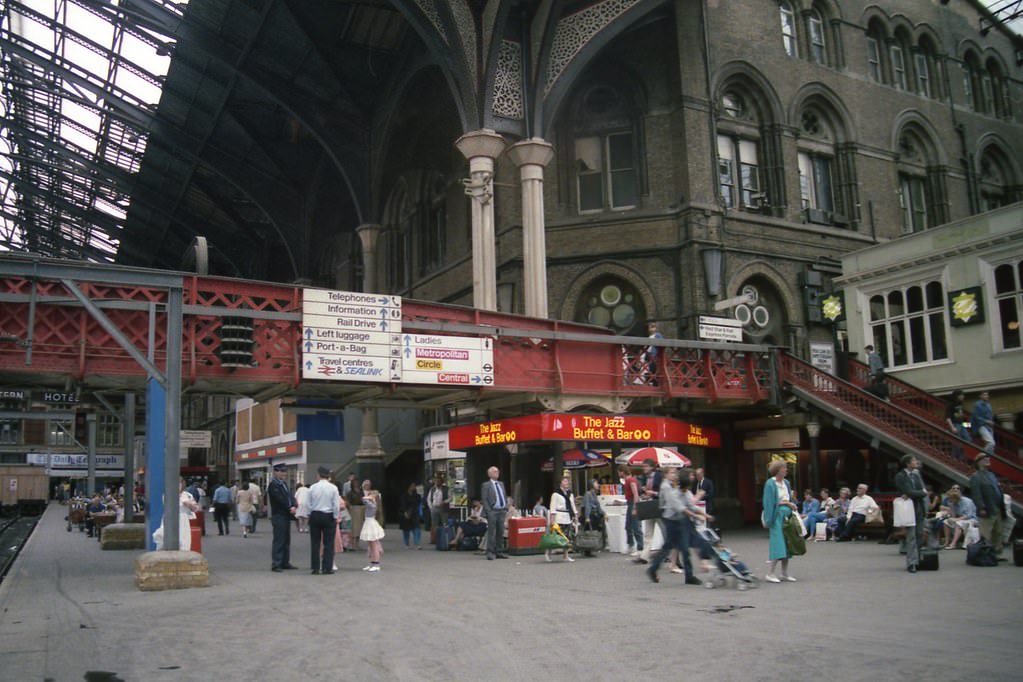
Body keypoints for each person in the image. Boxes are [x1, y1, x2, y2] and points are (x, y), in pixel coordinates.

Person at [762, 460, 798, 583]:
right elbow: (769, 502)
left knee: (787, 543)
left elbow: (789, 497)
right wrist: (769, 520)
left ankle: (784, 573)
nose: (786, 470)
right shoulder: (770, 484)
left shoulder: (786, 482)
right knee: (778, 544)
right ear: (778, 470)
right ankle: (770, 573)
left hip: (787, 515)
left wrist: (792, 504)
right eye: (784, 468)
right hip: (776, 516)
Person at [894, 455, 927, 573]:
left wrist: (919, 493)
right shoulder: (900, 476)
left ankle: (917, 559)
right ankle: (911, 563)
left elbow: (923, 490)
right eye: (914, 460)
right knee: (911, 536)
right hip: (908, 508)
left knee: (919, 534)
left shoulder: (916, 475)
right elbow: (910, 492)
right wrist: (921, 493)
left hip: (918, 507)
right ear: (908, 463)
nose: (916, 462)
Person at [970, 453, 1006, 560]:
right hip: (987, 508)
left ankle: (997, 554)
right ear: (978, 462)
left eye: (988, 458)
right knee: (986, 533)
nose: (987, 460)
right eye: (984, 459)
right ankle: (985, 554)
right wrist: (981, 507)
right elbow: (976, 494)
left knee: (998, 532)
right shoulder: (975, 476)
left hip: (998, 507)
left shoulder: (991, 474)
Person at [306, 466, 341, 575]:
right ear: (328, 476)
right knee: (328, 543)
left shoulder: (312, 487)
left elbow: (308, 504)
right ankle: (327, 568)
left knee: (315, 543)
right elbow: (336, 505)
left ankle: (315, 568)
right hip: (329, 515)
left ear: (319, 475)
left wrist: (309, 515)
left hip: (315, 515)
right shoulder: (333, 488)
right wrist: (335, 517)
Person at [267, 464, 297, 572]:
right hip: (279, 515)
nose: (284, 474)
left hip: (286, 515)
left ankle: (285, 562)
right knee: (279, 540)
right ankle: (276, 563)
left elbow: (289, 496)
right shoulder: (273, 485)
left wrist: (294, 504)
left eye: (285, 472)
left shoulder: (283, 484)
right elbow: (279, 500)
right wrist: (290, 507)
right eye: (282, 471)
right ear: (276, 472)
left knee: (286, 540)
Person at [634, 459, 663, 565]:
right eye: (643, 466)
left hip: (659, 506)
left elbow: (663, 492)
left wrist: (653, 493)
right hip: (649, 506)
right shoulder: (644, 478)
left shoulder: (659, 476)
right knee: (648, 532)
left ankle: (670, 554)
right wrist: (645, 495)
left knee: (665, 531)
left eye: (646, 466)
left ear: (652, 467)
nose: (644, 468)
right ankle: (644, 556)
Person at [481, 466, 509, 560]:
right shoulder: (486, 485)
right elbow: (484, 499)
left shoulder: (501, 484)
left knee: (500, 531)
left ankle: (499, 551)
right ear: (489, 474)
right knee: (492, 532)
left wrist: (505, 507)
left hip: (501, 510)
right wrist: (489, 511)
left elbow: (504, 495)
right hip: (493, 511)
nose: (497, 473)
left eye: (497, 471)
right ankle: (490, 551)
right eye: (494, 471)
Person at [547, 477, 578, 562]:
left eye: (568, 481)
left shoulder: (570, 494)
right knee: (555, 537)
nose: (567, 483)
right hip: (559, 516)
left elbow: (572, 505)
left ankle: (566, 555)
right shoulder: (556, 494)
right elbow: (552, 507)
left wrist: (575, 515)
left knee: (567, 537)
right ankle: (548, 553)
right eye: (565, 481)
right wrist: (552, 520)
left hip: (567, 516)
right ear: (560, 483)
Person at [359, 480, 385, 572]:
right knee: (370, 545)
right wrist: (371, 496)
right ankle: (372, 563)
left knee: (374, 545)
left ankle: (376, 564)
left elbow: (363, 498)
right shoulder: (372, 504)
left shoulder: (372, 505)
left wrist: (370, 497)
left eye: (371, 494)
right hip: (368, 522)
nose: (369, 495)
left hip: (371, 523)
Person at [941, 485, 977, 549]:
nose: (949, 501)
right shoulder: (953, 503)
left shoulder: (967, 502)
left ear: (955, 498)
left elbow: (968, 515)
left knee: (958, 523)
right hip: (960, 519)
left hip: (971, 519)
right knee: (946, 522)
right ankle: (947, 542)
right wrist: (951, 514)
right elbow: (954, 515)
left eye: (950, 499)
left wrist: (956, 519)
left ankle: (953, 544)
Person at [620, 465, 643, 558]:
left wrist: (634, 507)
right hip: (630, 503)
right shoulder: (629, 481)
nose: (618, 474)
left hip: (632, 503)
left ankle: (639, 547)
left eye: (619, 472)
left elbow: (635, 494)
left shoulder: (630, 481)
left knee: (635, 526)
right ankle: (631, 545)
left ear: (622, 472)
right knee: (629, 526)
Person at [582, 478, 606, 555]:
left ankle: (590, 548)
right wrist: (587, 517)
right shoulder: (588, 494)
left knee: (592, 531)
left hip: (594, 515)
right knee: (589, 532)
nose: (598, 485)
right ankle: (587, 548)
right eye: (596, 483)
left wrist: (603, 513)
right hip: (591, 515)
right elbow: (588, 506)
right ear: (591, 485)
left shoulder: (594, 494)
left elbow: (598, 506)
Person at [945, 390, 970, 462]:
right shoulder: (950, 404)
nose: (963, 397)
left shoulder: (960, 404)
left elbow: (961, 417)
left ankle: (962, 459)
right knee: (957, 443)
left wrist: (968, 425)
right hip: (955, 424)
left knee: (968, 440)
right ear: (957, 396)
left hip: (961, 424)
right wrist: (952, 427)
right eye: (961, 395)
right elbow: (948, 417)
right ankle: (955, 460)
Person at [399, 482, 423, 549]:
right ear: (408, 487)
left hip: (415, 513)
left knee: (416, 528)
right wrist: (405, 512)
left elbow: (419, 504)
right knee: (406, 530)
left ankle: (417, 543)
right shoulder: (404, 495)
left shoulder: (417, 496)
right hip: (406, 513)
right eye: (412, 486)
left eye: (414, 486)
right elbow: (403, 505)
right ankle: (406, 543)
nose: (413, 487)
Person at [426, 476, 450, 544]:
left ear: (442, 482)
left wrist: (444, 502)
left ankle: (445, 538)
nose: (437, 482)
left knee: (445, 523)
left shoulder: (446, 489)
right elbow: (429, 499)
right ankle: (434, 539)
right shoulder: (432, 489)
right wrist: (431, 507)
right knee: (434, 525)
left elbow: (450, 497)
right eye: (436, 481)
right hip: (434, 507)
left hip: (443, 508)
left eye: (439, 481)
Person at [972, 391, 996, 455]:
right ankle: (981, 456)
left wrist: (991, 422)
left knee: (992, 445)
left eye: (987, 395)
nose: (987, 396)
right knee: (991, 443)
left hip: (989, 427)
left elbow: (990, 415)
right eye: (985, 395)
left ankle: (987, 459)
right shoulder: (977, 405)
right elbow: (976, 417)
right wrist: (986, 421)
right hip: (981, 426)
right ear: (980, 396)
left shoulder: (988, 404)